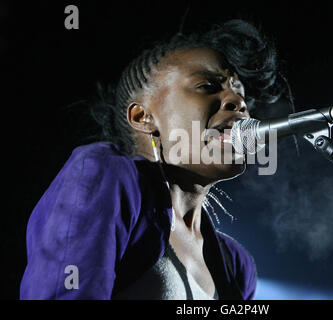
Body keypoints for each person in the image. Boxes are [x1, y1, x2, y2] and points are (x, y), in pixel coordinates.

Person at [20, 19, 285, 300]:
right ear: (142, 117)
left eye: (240, 93)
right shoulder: (102, 173)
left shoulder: (235, 265)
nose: (238, 102)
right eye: (208, 86)